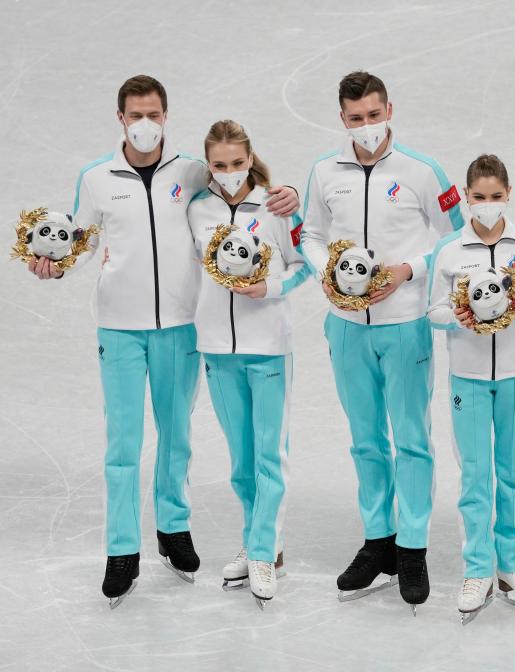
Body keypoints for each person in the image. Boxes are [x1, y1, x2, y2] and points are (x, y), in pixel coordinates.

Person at [27, 75, 299, 607]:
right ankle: (122, 550)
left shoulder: (193, 173)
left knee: (177, 437)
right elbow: (80, 241)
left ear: (166, 116)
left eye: (154, 113)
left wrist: (285, 194)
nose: (145, 123)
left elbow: (243, 191)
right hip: (120, 327)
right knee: (123, 443)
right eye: (135, 114)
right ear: (121, 117)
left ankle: (174, 530)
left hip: (182, 326)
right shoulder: (97, 178)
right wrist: (58, 267)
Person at [299, 70, 464, 612]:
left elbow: (457, 241)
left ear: (389, 109)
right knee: (366, 438)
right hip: (346, 327)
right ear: (341, 118)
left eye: (374, 115)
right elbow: (311, 235)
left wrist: (408, 273)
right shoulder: (325, 172)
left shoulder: (422, 172)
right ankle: (379, 542)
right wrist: (327, 272)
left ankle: (413, 546)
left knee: (411, 438)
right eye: (356, 118)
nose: (367, 127)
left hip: (404, 324)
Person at [188, 120, 309, 607]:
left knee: (269, 455)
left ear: (250, 159)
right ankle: (260, 540)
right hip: (217, 348)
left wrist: (271, 288)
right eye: (220, 165)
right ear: (208, 166)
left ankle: (263, 552)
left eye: (238, 163)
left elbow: (306, 265)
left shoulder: (276, 205)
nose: (230, 172)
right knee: (241, 463)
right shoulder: (198, 210)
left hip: (269, 348)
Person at [427, 154, 515, 622]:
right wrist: (455, 317)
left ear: (508, 194)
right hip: (469, 379)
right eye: (478, 197)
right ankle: (478, 568)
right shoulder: (449, 251)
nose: (487, 205)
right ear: (465, 197)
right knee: (476, 475)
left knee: (514, 473)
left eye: (495, 196)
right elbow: (433, 312)